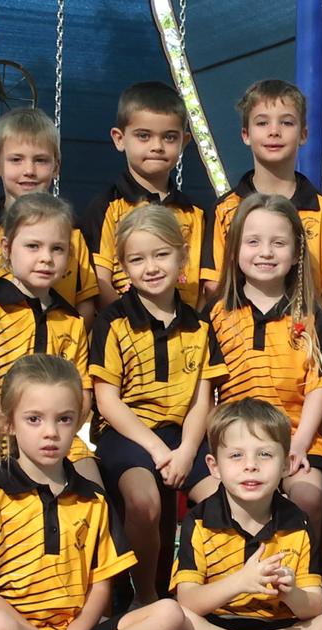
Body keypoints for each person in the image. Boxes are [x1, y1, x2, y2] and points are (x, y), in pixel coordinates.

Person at [0, 355, 186, 630]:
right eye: (34, 419)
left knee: (169, 614)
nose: (50, 432)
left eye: (64, 419)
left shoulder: (94, 498)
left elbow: (101, 588)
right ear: (8, 423)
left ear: (79, 421)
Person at [166, 399, 322, 630]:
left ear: (287, 465)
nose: (250, 465)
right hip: (215, 627)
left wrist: (291, 593)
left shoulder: (297, 521)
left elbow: (314, 605)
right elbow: (188, 602)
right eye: (236, 455)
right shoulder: (198, 521)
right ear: (214, 466)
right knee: (177, 620)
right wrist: (241, 582)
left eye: (264, 454)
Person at [90, 205, 222, 605]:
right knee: (145, 501)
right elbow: (107, 400)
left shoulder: (200, 325)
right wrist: (157, 450)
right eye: (137, 258)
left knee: (225, 499)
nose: (151, 266)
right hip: (128, 435)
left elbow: (203, 399)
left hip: (184, 439)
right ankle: (144, 596)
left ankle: (208, 598)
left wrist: (184, 452)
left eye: (161, 254)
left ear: (183, 256)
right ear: (122, 266)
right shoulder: (111, 321)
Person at [195, 194, 322, 535]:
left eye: (279, 243)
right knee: (220, 499)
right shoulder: (215, 315)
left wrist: (298, 445)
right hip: (235, 441)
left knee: (307, 498)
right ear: (235, 248)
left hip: (297, 438)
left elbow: (318, 388)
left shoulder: (313, 317)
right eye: (253, 241)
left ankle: (308, 581)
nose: (266, 252)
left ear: (297, 250)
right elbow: (205, 392)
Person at [0, 192, 101, 484]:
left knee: (94, 492)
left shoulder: (71, 320)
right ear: (6, 247)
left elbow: (83, 392)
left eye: (57, 249)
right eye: (33, 246)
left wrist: (61, 429)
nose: (46, 258)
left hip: (60, 439)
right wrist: (16, 425)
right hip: (2, 438)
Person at [201, 79, 322, 318]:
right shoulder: (224, 210)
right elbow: (213, 284)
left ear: (303, 134)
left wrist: (316, 335)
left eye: (287, 122)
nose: (274, 131)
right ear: (245, 134)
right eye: (262, 123)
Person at [0, 108, 99, 324]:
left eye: (41, 160)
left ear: (56, 167)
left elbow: (86, 303)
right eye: (16, 159)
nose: (29, 170)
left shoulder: (73, 235)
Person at [82, 81, 207, 309]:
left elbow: (203, 288)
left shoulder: (196, 213)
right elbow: (100, 281)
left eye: (169, 137)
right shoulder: (105, 207)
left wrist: (191, 326)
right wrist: (128, 322)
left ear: (184, 142)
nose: (157, 146)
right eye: (143, 136)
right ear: (119, 139)